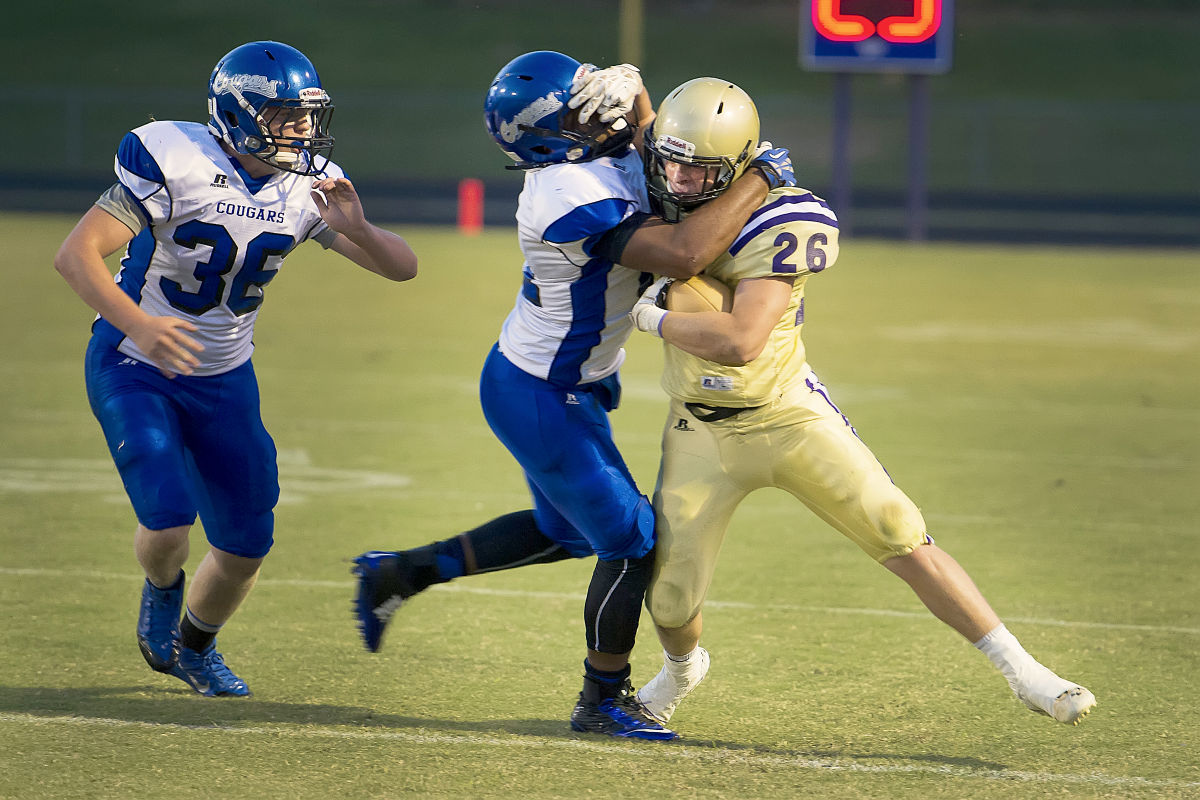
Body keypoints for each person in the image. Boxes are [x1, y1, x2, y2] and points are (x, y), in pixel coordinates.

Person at [626, 77, 1097, 727]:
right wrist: (632, 91)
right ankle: (681, 671)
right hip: (698, 429)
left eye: (697, 169)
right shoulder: (669, 170)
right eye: (670, 162)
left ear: (736, 167)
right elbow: (653, 139)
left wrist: (654, 321)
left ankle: (1026, 672)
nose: (676, 179)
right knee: (672, 602)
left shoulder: (781, 217)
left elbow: (739, 340)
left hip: (785, 414)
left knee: (898, 531)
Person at [351, 51, 794, 740]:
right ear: (557, 135)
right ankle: (602, 698)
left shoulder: (588, 155)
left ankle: (401, 573)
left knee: (566, 531)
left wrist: (639, 94)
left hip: (555, 382)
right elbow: (683, 252)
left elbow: (653, 153)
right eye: (584, 111)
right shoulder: (564, 195)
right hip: (539, 390)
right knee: (632, 539)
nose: (603, 115)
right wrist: (762, 175)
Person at [53, 41, 418, 697]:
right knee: (167, 523)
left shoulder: (307, 188)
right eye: (288, 116)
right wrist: (142, 326)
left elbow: (402, 267)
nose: (304, 130)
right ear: (241, 113)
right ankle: (162, 590)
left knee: (247, 543)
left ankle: (196, 648)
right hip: (135, 359)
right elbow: (75, 255)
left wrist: (360, 229)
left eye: (308, 116)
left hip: (223, 376)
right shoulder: (176, 159)